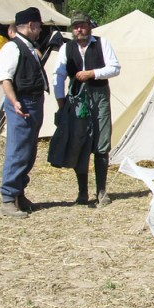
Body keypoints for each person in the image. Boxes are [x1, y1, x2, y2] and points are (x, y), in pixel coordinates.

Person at [55, 11, 121, 206]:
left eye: (82, 26)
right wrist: (61, 101)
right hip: (76, 99)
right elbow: (58, 75)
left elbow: (115, 68)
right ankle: (82, 193)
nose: (79, 30)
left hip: (99, 96)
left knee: (101, 143)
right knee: (79, 143)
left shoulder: (102, 43)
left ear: (89, 26)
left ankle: (101, 191)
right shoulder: (66, 48)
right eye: (75, 27)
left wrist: (92, 73)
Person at [0, 7, 48, 219]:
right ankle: (8, 199)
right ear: (30, 26)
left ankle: (19, 193)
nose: (40, 30)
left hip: (33, 102)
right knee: (18, 150)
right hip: (23, 103)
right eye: (38, 26)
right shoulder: (12, 48)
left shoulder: (29, 47)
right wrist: (14, 101)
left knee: (28, 151)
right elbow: (5, 78)